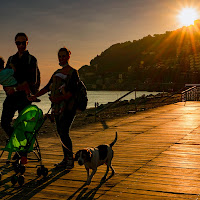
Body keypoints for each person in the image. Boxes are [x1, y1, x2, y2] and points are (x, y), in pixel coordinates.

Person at [29, 47, 79, 169]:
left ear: (68, 56)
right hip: (56, 109)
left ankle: (70, 160)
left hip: (68, 108)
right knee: (61, 133)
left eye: (63, 56)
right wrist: (34, 96)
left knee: (64, 132)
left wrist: (58, 99)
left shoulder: (73, 72)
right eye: (59, 56)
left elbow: (72, 93)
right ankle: (66, 159)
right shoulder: (56, 72)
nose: (61, 58)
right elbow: (47, 88)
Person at [1, 32, 40, 138]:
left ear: (27, 42)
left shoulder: (31, 59)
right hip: (11, 97)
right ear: (15, 43)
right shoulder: (11, 59)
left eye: (23, 43)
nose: (21, 45)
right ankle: (17, 141)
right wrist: (7, 88)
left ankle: (21, 151)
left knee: (22, 125)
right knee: (4, 123)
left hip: (24, 98)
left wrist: (15, 88)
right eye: (18, 43)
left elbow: (33, 81)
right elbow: (4, 77)